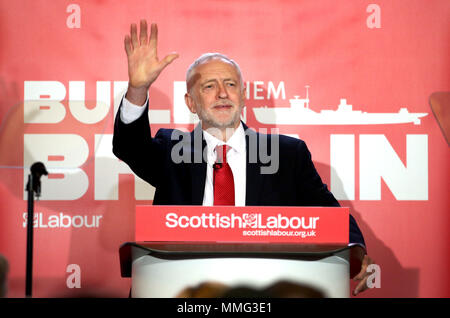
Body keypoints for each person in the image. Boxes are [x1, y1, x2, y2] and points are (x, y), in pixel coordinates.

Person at [113, 19, 374, 296]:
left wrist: (356, 252)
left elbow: (329, 213)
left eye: (230, 84)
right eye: (209, 86)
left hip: (263, 288)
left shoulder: (287, 155)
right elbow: (129, 147)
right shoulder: (171, 150)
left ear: (244, 95)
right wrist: (138, 89)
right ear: (191, 102)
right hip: (180, 286)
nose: (223, 93)